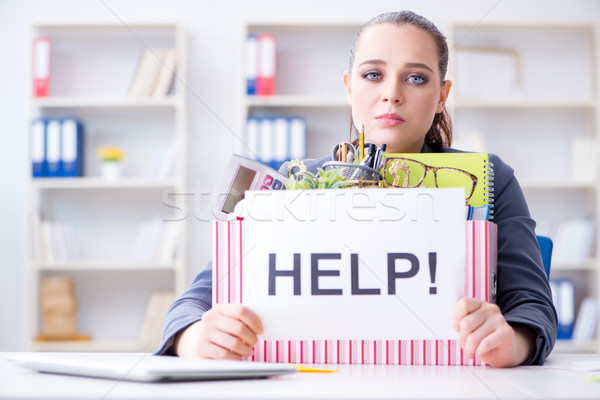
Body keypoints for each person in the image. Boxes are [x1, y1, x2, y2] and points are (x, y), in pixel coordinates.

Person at [157, 10, 557, 367]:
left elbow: (533, 307)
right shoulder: (294, 183)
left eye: (416, 78)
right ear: (349, 88)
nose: (392, 93)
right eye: (372, 75)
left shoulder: (488, 179)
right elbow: (192, 302)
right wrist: (195, 338)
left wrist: (514, 342)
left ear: (442, 96)